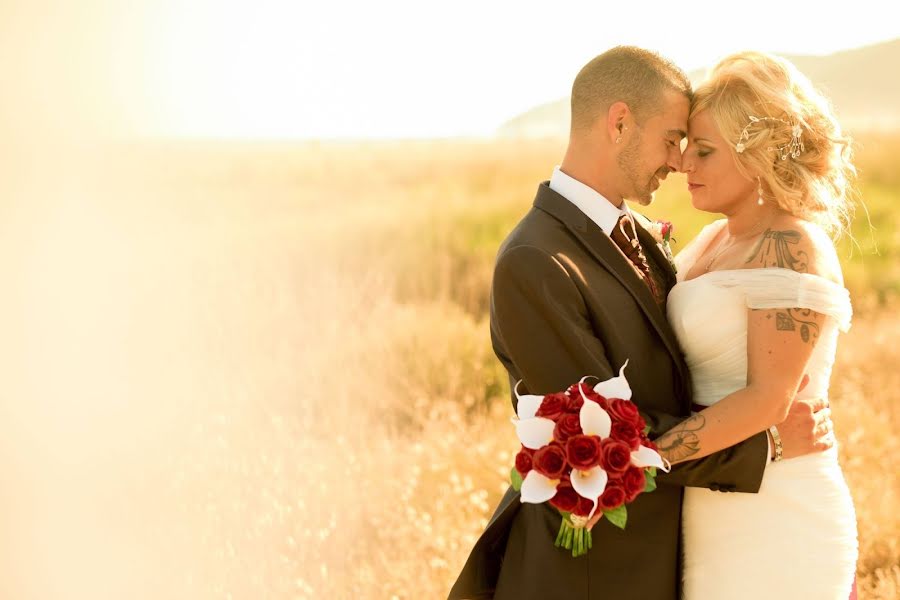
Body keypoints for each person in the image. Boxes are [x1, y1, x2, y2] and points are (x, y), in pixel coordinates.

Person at [448, 46, 833, 600]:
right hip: (590, 570)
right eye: (673, 139)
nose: (679, 162)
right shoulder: (536, 260)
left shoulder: (642, 235)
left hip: (685, 542)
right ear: (620, 123)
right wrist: (762, 445)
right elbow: (597, 434)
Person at [655, 50, 858, 599]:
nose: (684, 166)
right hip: (712, 498)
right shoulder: (713, 241)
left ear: (758, 156)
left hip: (778, 510)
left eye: (704, 152)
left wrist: (641, 459)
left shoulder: (791, 247)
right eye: (684, 149)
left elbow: (769, 399)